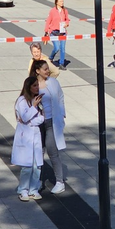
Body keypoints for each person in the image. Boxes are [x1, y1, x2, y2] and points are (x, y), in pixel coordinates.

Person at [30, 59, 67, 194]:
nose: (48, 71)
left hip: (51, 122)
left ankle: (60, 182)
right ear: (37, 71)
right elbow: (26, 101)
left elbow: (60, 97)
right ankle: (37, 181)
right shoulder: (32, 85)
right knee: (38, 152)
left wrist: (62, 114)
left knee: (52, 151)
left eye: (48, 68)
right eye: (45, 69)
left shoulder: (53, 82)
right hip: (38, 123)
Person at [12, 76, 44, 201]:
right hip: (25, 135)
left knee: (37, 165)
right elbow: (25, 117)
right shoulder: (22, 101)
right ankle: (23, 189)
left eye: (37, 85)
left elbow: (41, 118)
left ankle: (33, 189)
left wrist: (32, 119)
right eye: (34, 85)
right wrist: (33, 107)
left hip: (35, 134)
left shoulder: (37, 100)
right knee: (27, 166)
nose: (37, 88)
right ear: (28, 87)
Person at [43, 0, 70, 70]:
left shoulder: (65, 11)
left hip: (62, 32)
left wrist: (66, 24)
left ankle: (61, 64)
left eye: (63, 1)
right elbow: (48, 21)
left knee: (62, 48)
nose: (62, 3)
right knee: (56, 48)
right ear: (56, 2)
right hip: (54, 32)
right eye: (60, 1)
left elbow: (67, 19)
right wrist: (46, 30)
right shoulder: (52, 11)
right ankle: (51, 57)